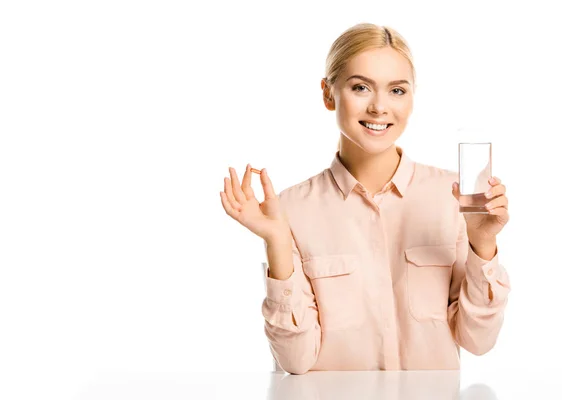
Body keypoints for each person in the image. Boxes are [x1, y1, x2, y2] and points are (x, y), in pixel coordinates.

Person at [219, 23, 511, 374]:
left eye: (397, 91)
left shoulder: (454, 198)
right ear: (328, 94)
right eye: (361, 87)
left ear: (413, 97)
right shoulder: (291, 210)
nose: (379, 107)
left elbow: (478, 340)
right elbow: (295, 361)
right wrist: (277, 241)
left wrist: (483, 243)